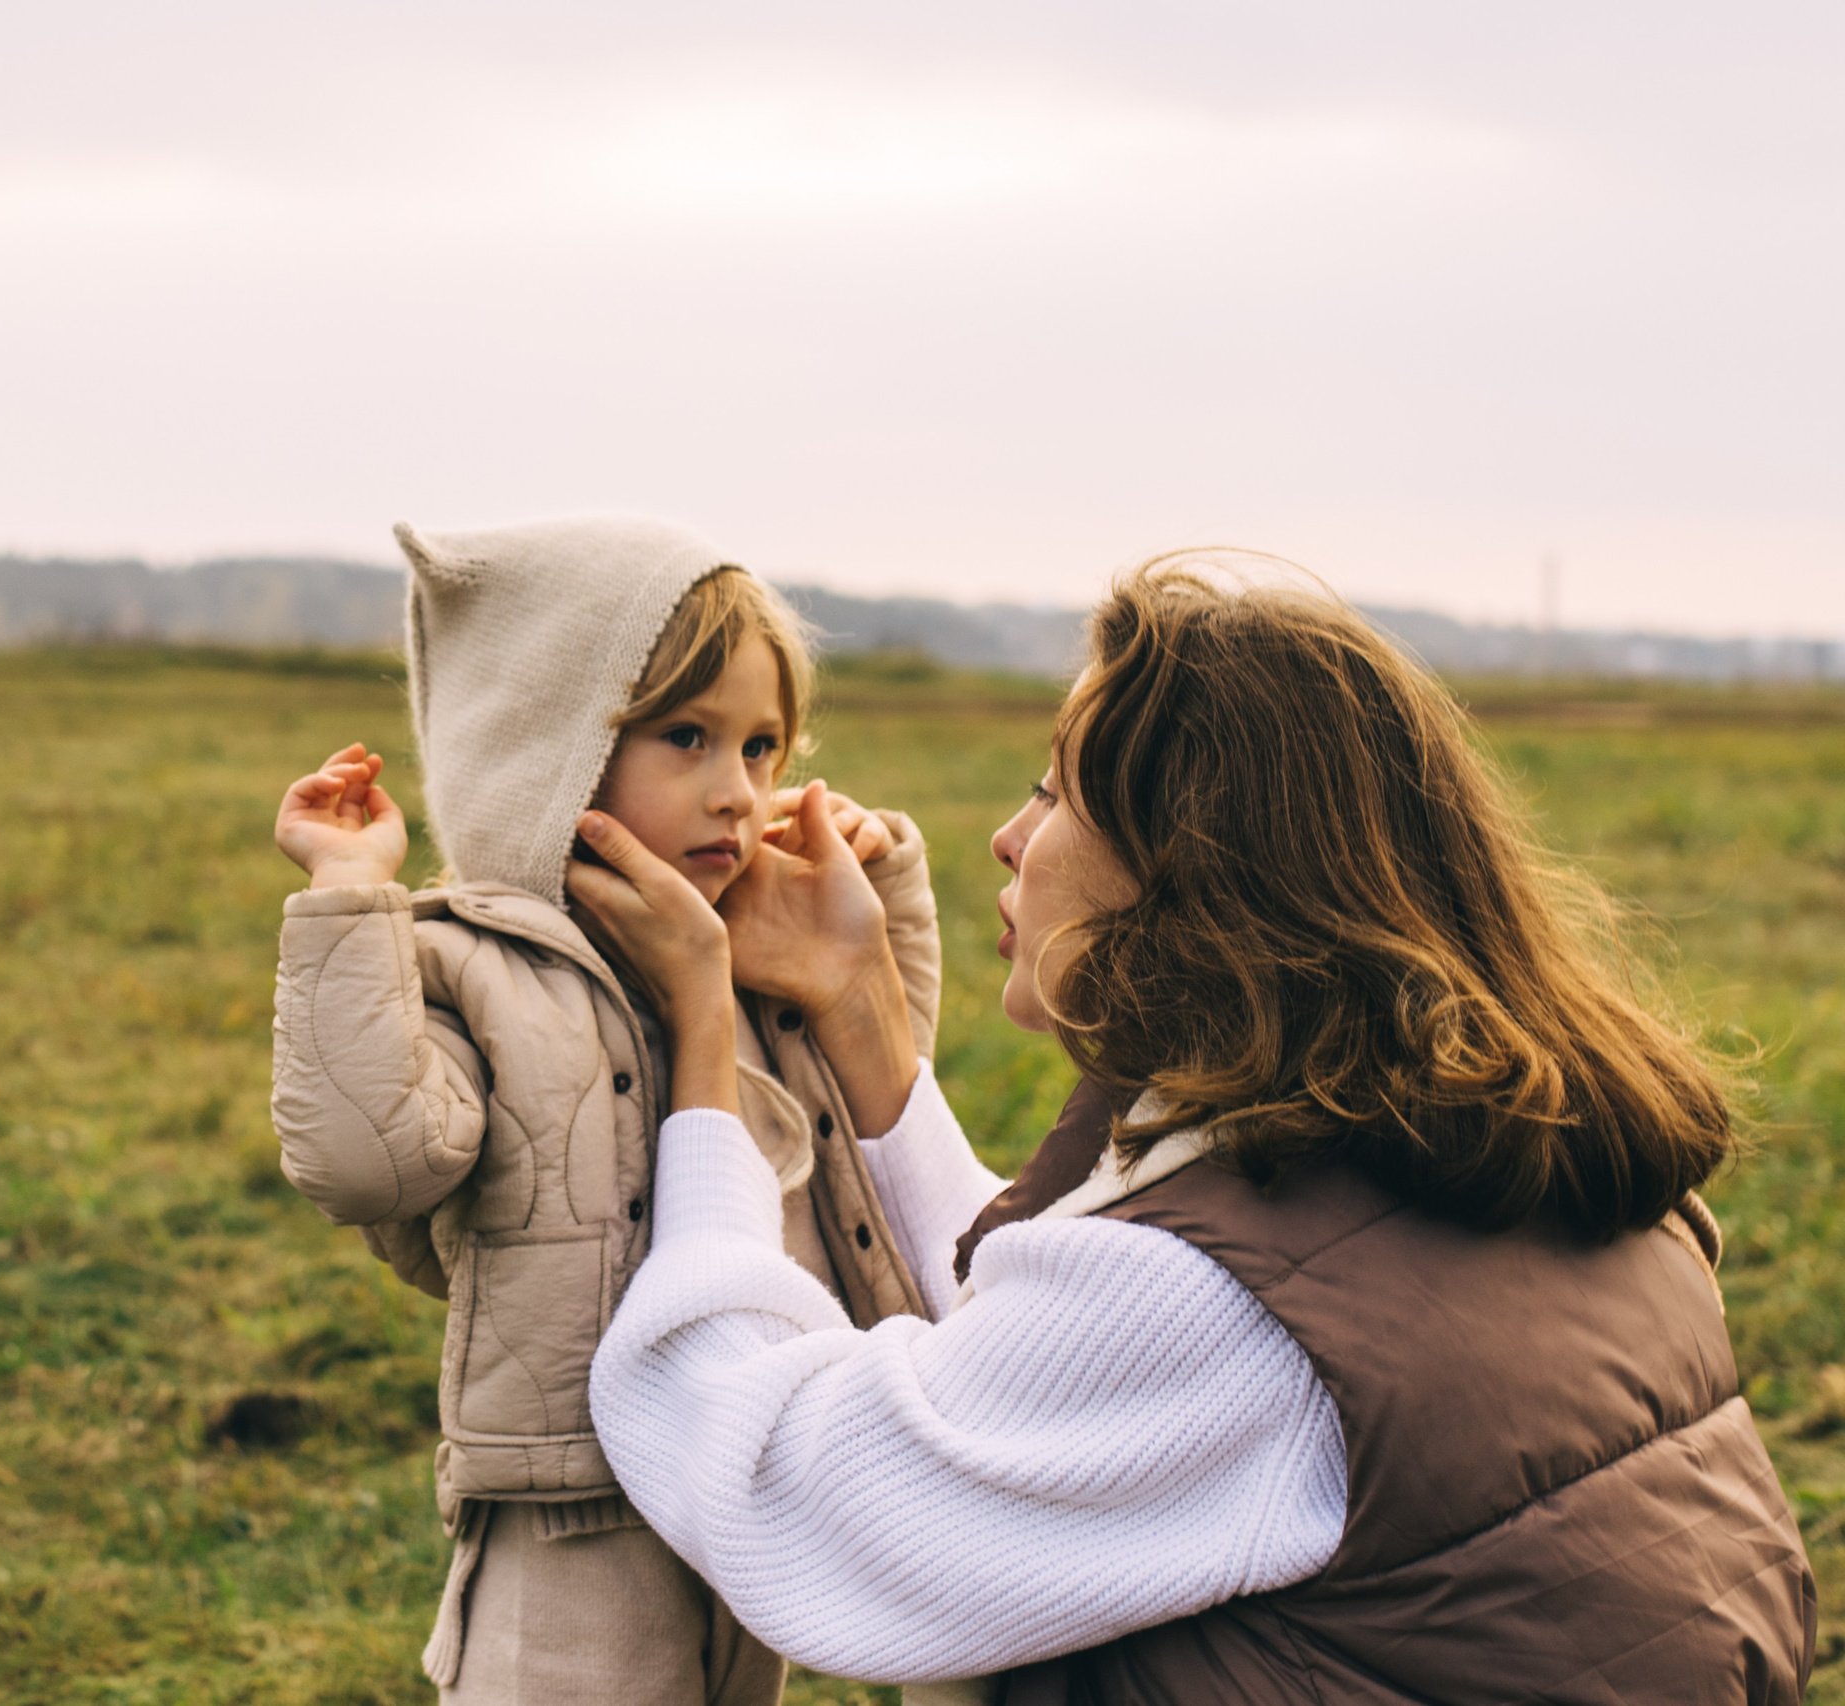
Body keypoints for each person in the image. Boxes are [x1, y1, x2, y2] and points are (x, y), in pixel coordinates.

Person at [571, 559, 1817, 1702]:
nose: (1009, 838)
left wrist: (697, 1036)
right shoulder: (1515, 1152)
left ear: (1195, 865)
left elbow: (787, 1488)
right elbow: (1046, 1357)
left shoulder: (1225, 1304)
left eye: (1057, 792)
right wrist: (861, 1014)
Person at [267, 516, 946, 1704]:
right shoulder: (475, 967)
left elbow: (861, 1104)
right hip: (576, 1513)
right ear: (552, 749)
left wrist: (879, 903)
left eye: (763, 746)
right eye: (686, 736)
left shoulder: (737, 951)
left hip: (745, 1473)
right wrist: (347, 902)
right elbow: (369, 1159)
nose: (736, 792)